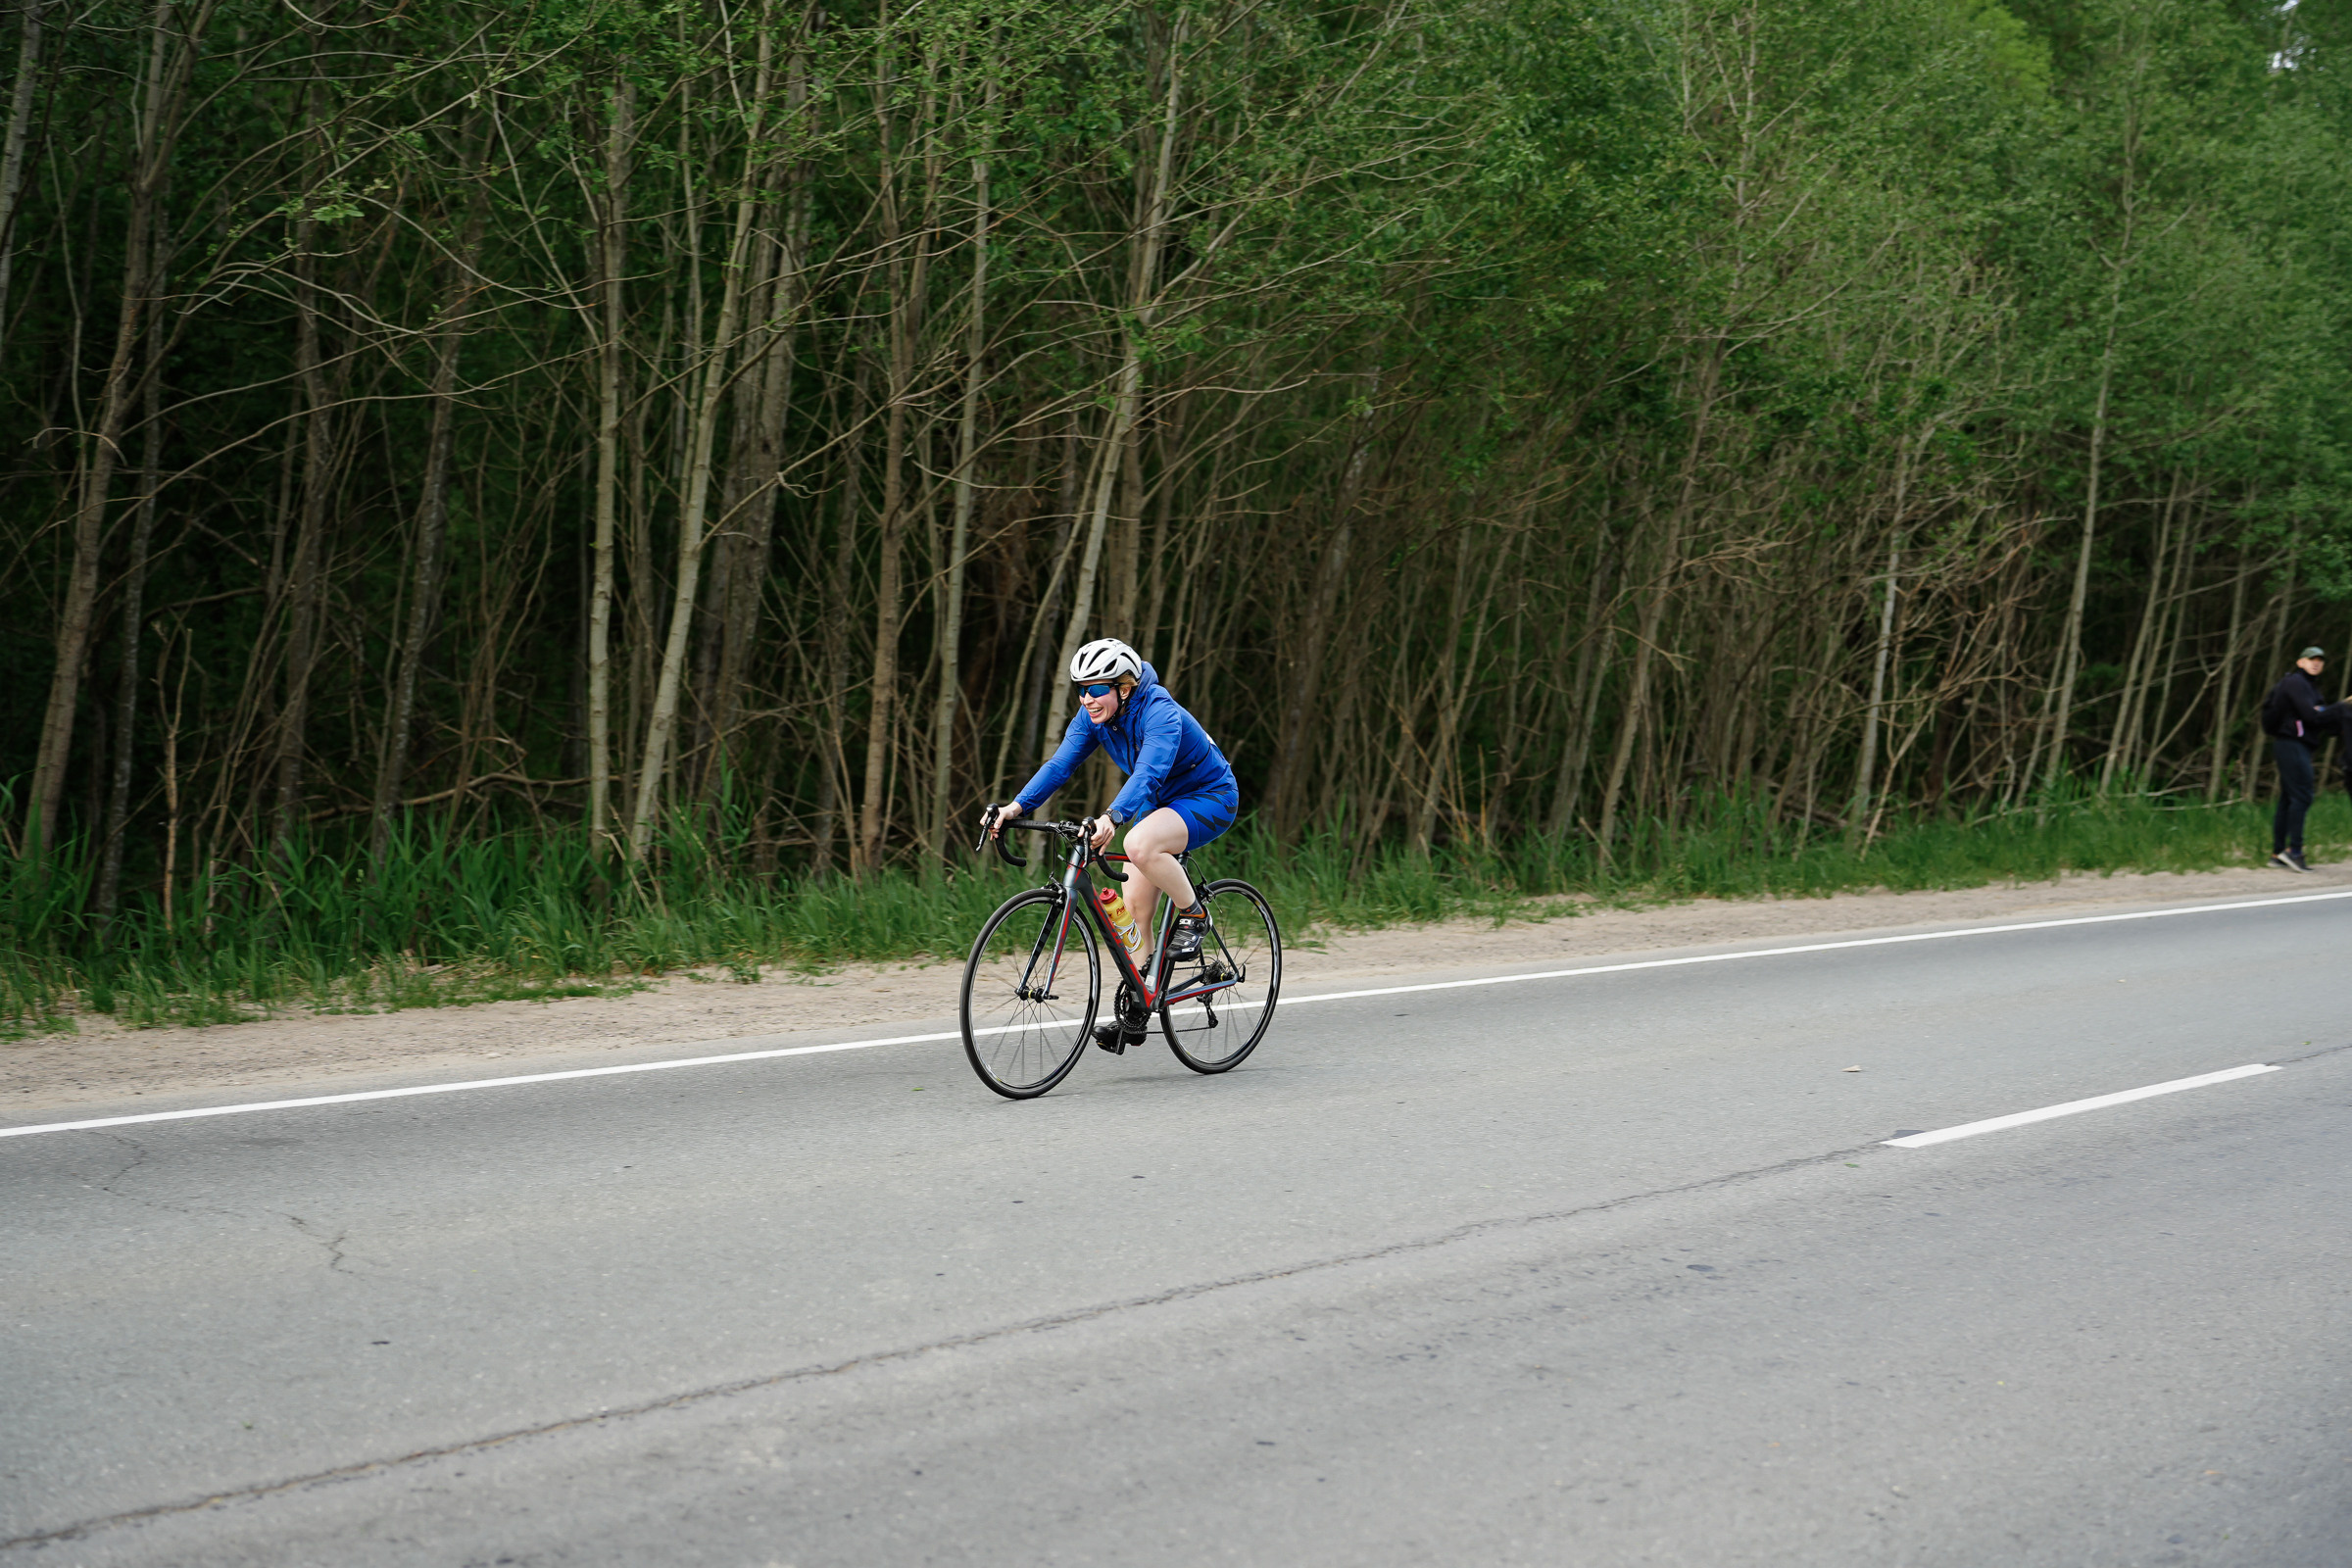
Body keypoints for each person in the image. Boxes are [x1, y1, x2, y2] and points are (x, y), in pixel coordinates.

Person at [985, 637, 1241, 1053]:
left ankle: (1194, 915)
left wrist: (1112, 818)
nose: (1086, 698)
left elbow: (1147, 774)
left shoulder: (1160, 712)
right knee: (1134, 916)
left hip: (1209, 796)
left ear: (1124, 687)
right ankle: (1140, 1007)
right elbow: (1060, 764)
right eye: (1080, 689)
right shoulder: (1095, 718)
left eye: (1096, 688)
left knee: (1138, 844)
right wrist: (1015, 807)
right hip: (1159, 804)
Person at [2261, 645, 2337, 871]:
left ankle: (2277, 854)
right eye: (2311, 659)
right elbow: (2310, 715)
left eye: (2320, 660)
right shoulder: (2295, 682)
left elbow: (2321, 719)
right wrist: (2335, 709)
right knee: (2303, 796)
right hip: (2291, 744)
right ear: (2300, 662)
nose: (2316, 663)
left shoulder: (2311, 688)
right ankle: (2294, 851)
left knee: (2289, 799)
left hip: (2297, 746)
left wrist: (2332, 713)